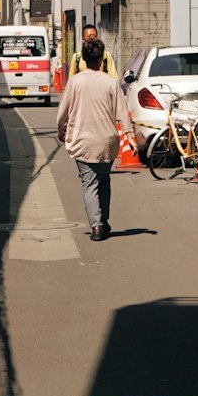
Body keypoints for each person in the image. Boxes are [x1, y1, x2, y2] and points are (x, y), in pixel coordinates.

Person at [57, 35, 135, 241]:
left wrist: (60, 131)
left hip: (82, 140)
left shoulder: (75, 82)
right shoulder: (110, 83)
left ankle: (97, 225)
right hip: (107, 141)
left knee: (88, 183)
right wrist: (130, 135)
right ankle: (104, 220)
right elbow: (121, 112)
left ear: (83, 58)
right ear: (102, 59)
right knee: (104, 180)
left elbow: (62, 113)